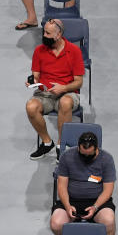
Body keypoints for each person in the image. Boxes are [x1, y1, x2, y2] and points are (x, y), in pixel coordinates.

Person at [51, 132, 117, 235]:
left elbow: (108, 190)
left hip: (97, 202)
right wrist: (68, 206)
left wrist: (95, 207)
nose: (86, 157)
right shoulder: (67, 157)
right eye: (83, 154)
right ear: (79, 148)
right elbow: (62, 186)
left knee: (109, 221)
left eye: (90, 155)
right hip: (71, 201)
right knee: (56, 223)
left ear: (96, 149)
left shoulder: (106, 159)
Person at [26, 19, 84, 160]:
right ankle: (47, 143)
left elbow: (79, 82)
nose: (44, 35)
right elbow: (36, 75)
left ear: (59, 35)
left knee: (65, 103)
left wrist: (63, 88)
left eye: (48, 33)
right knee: (31, 106)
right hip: (45, 94)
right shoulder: (39, 51)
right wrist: (32, 81)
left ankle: (61, 145)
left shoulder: (74, 51)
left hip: (67, 92)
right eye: (44, 32)